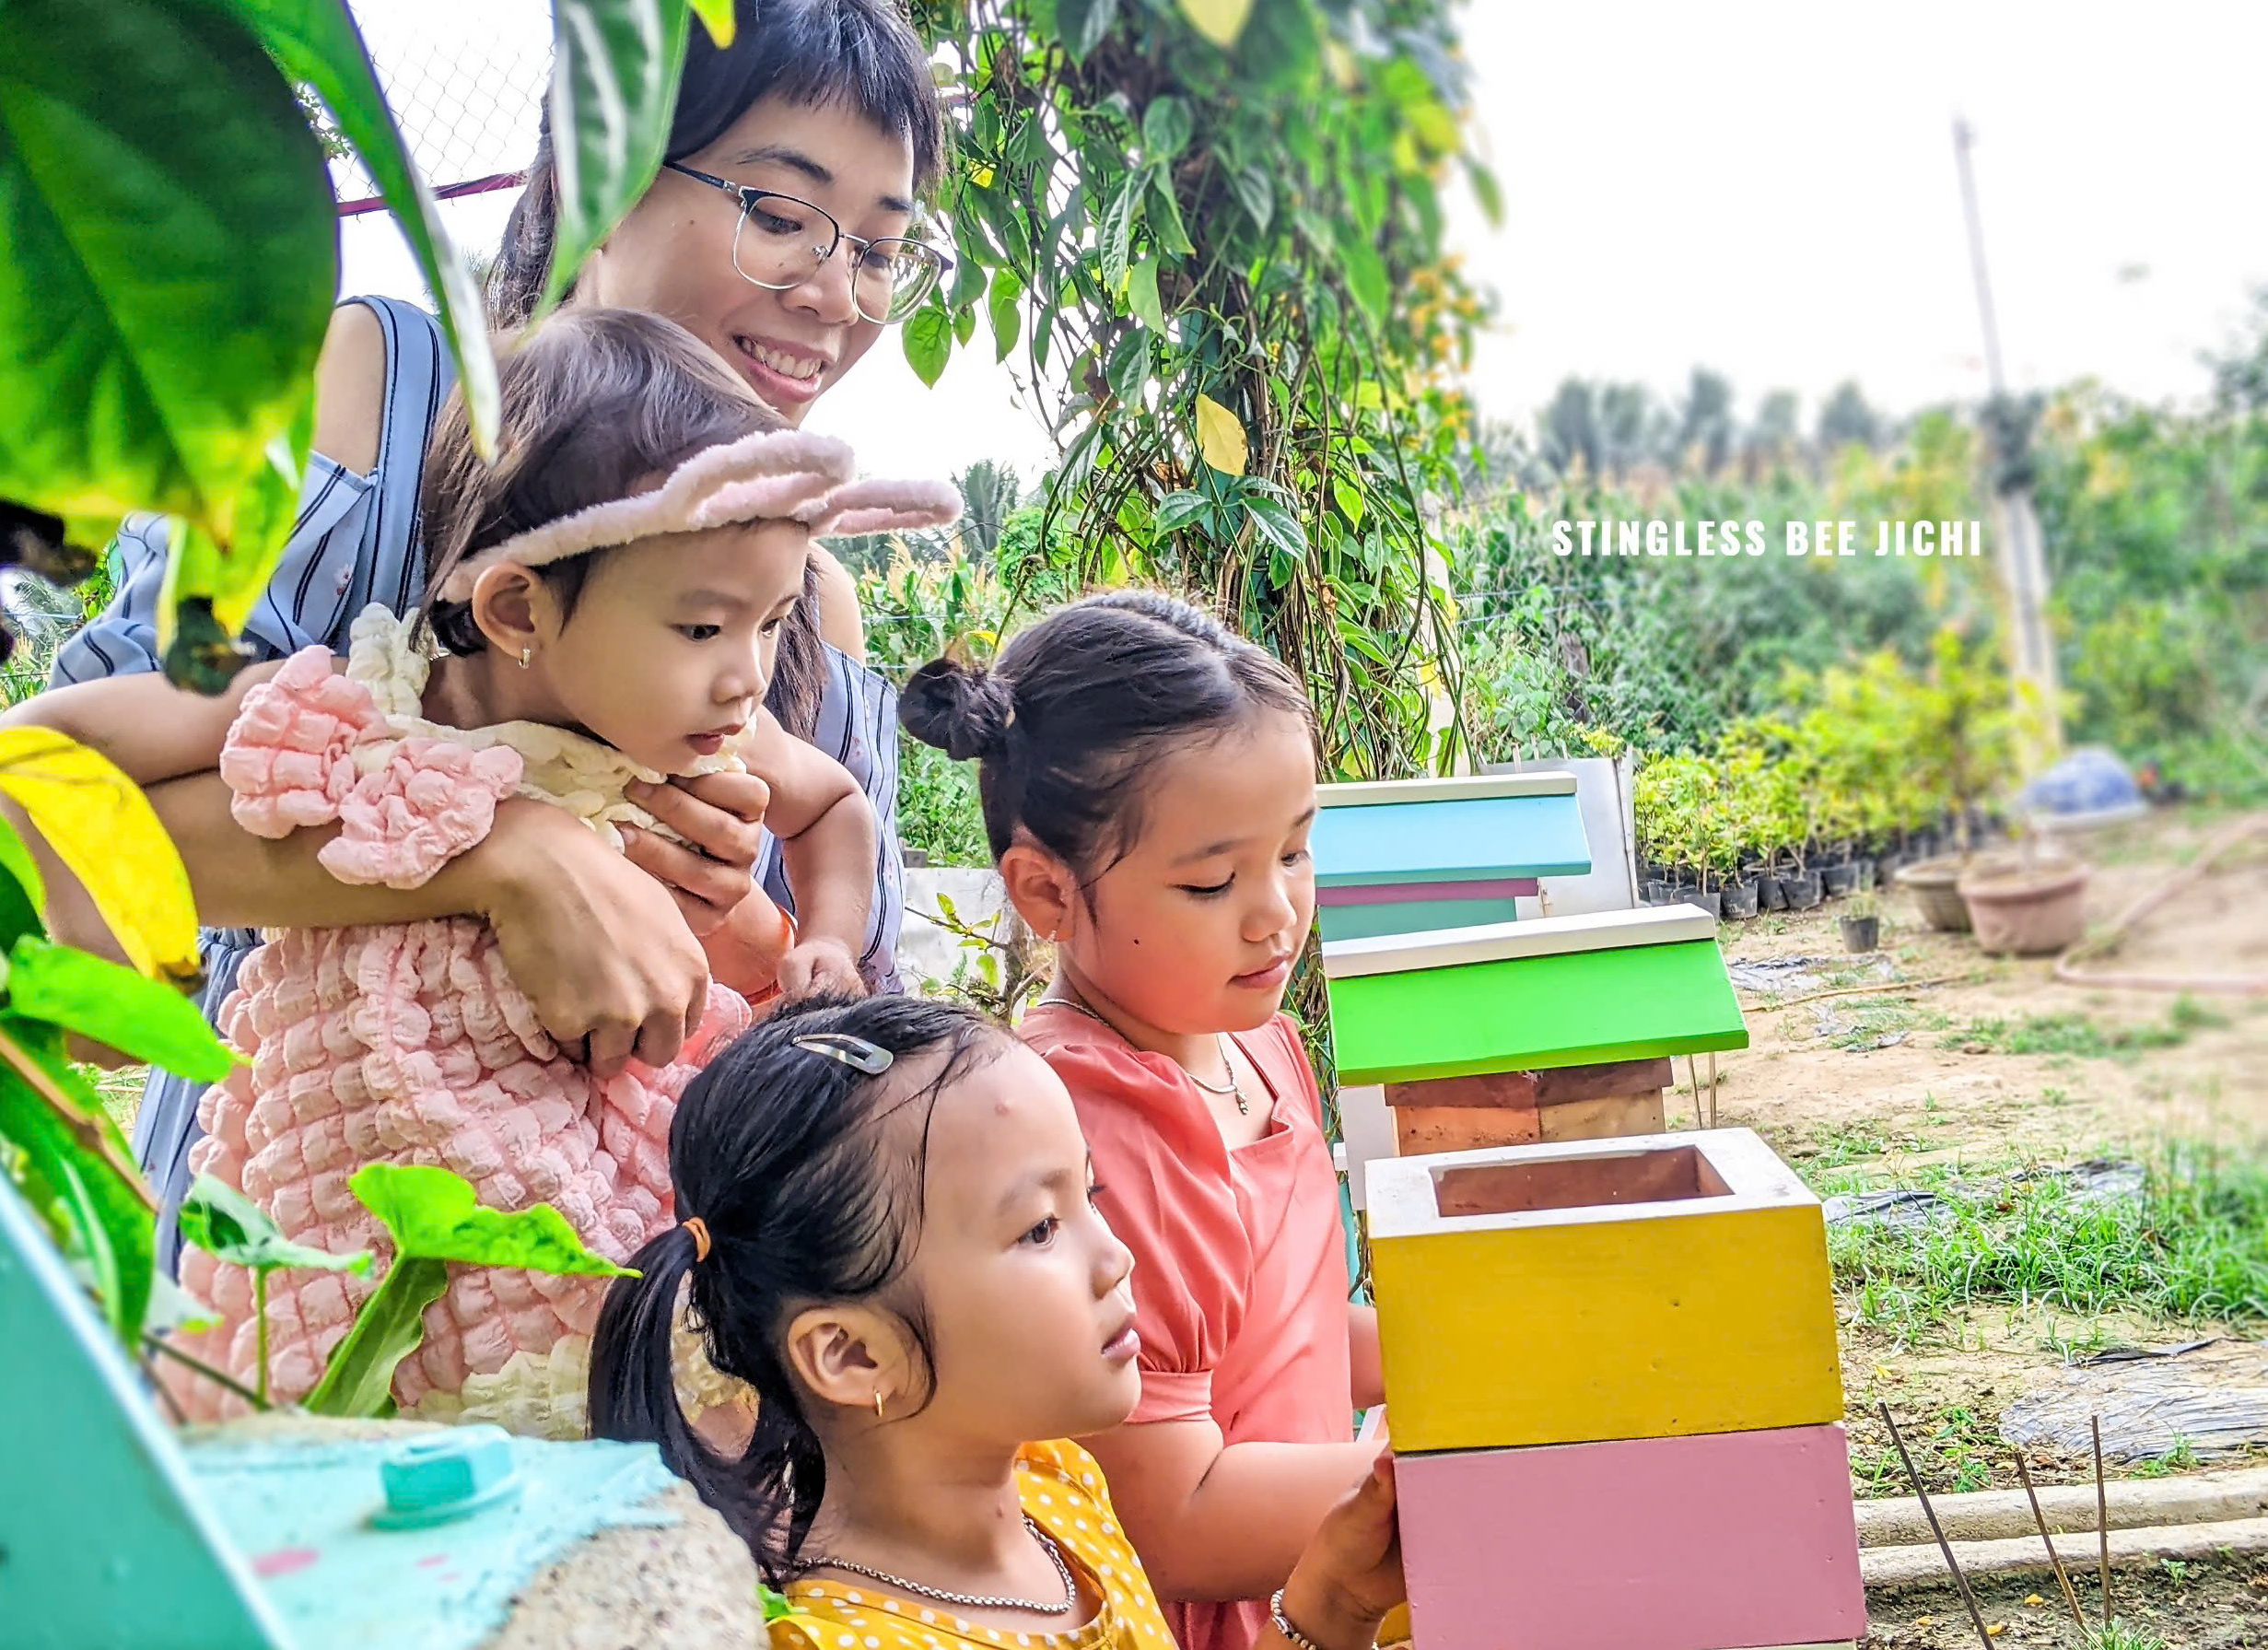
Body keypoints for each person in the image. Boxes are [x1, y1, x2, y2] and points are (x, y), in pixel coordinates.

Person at [39, 0, 951, 1267]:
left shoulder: (804, 617)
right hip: (294, 1280)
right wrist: (508, 850)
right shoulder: (374, 396)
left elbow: (835, 1037)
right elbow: (54, 872)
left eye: (879, 248)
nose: (833, 294)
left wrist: (755, 946)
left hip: (622, 1317)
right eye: (781, 216)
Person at [18, 309, 959, 1434]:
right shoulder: (355, 703)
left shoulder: (686, 734)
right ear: (517, 606)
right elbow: (54, 755)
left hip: (587, 1194)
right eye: (704, 628)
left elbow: (837, 804)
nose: (745, 678)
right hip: (351, 1201)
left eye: (768, 625)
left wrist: (825, 937)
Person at [590, 993, 1405, 1650]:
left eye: (1091, 1196)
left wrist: (1327, 1602)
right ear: (852, 1353)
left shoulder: (1054, 1487)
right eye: (1040, 1228)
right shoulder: (842, 1640)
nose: (1117, 1258)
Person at [898, 592, 1386, 1650]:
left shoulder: (1255, 1043)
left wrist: (1492, 1363)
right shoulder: (1087, 1130)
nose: (1276, 912)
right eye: (1212, 881)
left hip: (1322, 1577)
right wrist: (1453, 1470)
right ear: (1045, 891)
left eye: (1294, 853)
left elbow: (1285, 1333)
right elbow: (1177, 1519)